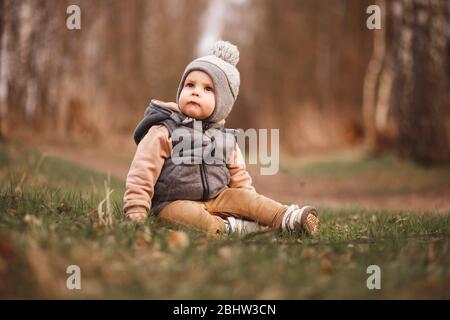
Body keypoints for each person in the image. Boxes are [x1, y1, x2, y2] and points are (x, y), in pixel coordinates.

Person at [123, 40, 319, 237]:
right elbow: (142, 172)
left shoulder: (227, 140)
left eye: (208, 89)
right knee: (186, 215)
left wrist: (248, 206)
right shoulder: (164, 129)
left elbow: (239, 179)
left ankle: (287, 218)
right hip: (172, 203)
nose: (196, 91)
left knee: (247, 199)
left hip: (218, 198)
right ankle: (230, 228)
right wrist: (136, 209)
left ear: (223, 103)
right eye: (190, 84)